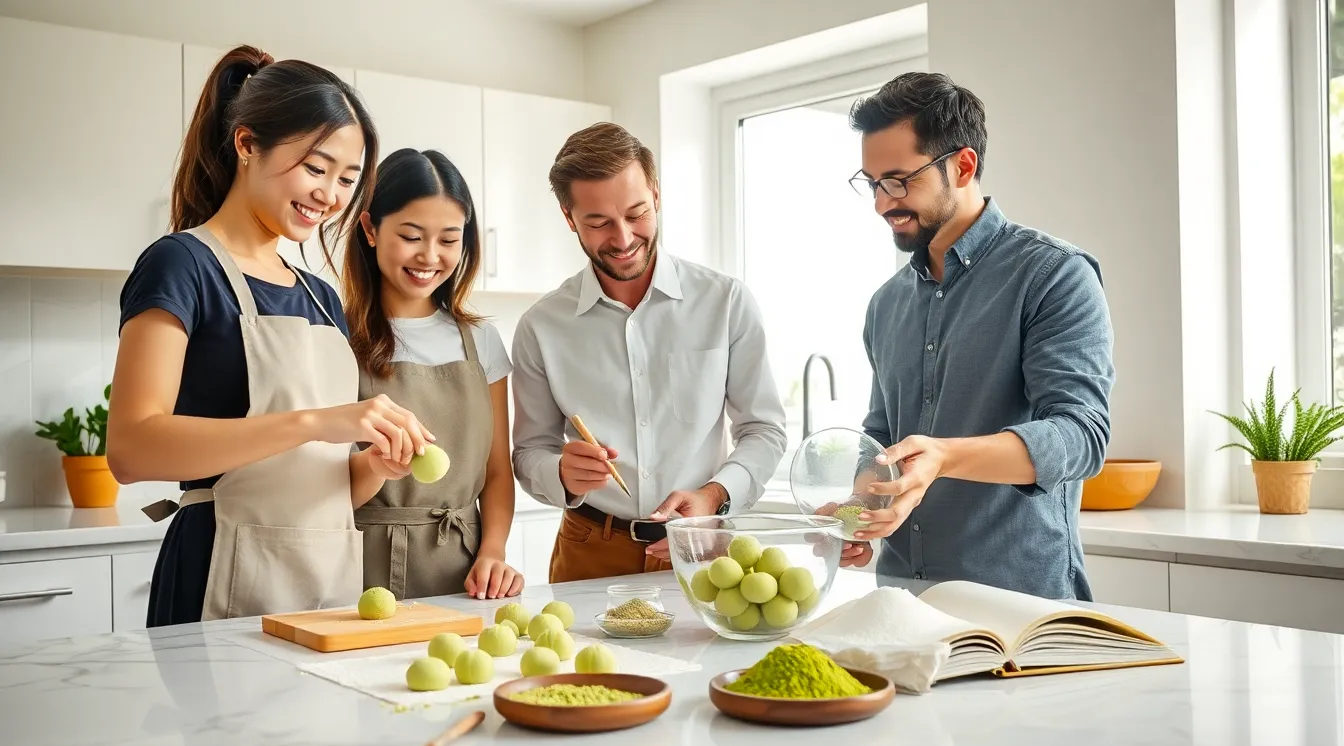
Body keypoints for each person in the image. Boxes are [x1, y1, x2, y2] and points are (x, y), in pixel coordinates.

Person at [109, 45, 432, 628]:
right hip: (218, 573)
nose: (330, 196)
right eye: (315, 168)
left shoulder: (320, 295)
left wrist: (374, 469)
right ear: (246, 144)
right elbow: (131, 450)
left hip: (323, 586)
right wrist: (319, 421)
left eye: (347, 179)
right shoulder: (182, 265)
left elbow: (320, 486)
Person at [836, 72, 1114, 601]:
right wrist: (867, 506)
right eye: (872, 183)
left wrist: (944, 456)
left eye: (899, 181)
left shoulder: (1053, 275)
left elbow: (1082, 437)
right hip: (900, 604)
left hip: (1019, 606)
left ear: (962, 166)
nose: (881, 203)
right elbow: (880, 435)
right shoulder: (886, 303)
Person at [511, 122, 787, 583]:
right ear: (569, 218)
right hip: (588, 552)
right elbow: (528, 451)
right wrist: (560, 472)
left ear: (656, 196)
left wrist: (715, 495)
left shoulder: (725, 302)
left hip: (701, 547)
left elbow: (765, 430)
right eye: (598, 223)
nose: (622, 239)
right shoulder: (541, 326)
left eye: (636, 214)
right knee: (584, 660)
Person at [343, 148, 524, 601]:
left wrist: (493, 552)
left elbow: (497, 471)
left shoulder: (480, 341)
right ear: (369, 228)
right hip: (353, 566)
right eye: (411, 235)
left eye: (449, 239)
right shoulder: (335, 337)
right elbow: (322, 482)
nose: (430, 256)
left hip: (461, 570)